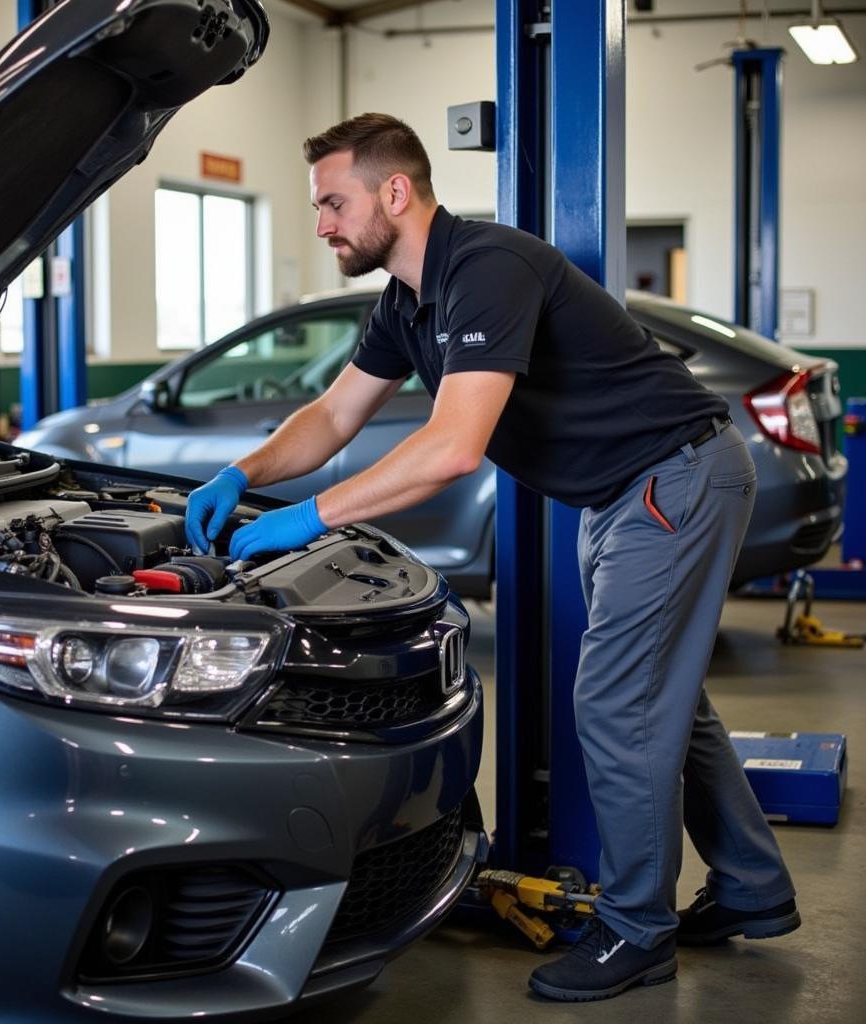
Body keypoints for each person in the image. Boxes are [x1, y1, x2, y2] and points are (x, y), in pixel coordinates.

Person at [184, 113, 799, 1002]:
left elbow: (452, 447)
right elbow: (332, 415)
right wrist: (240, 472)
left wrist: (306, 520)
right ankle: (751, 886)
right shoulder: (407, 301)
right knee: (667, 702)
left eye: (333, 202)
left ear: (395, 192)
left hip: (675, 482)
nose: (321, 225)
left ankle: (637, 933)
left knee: (619, 706)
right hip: (624, 497)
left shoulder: (486, 268)